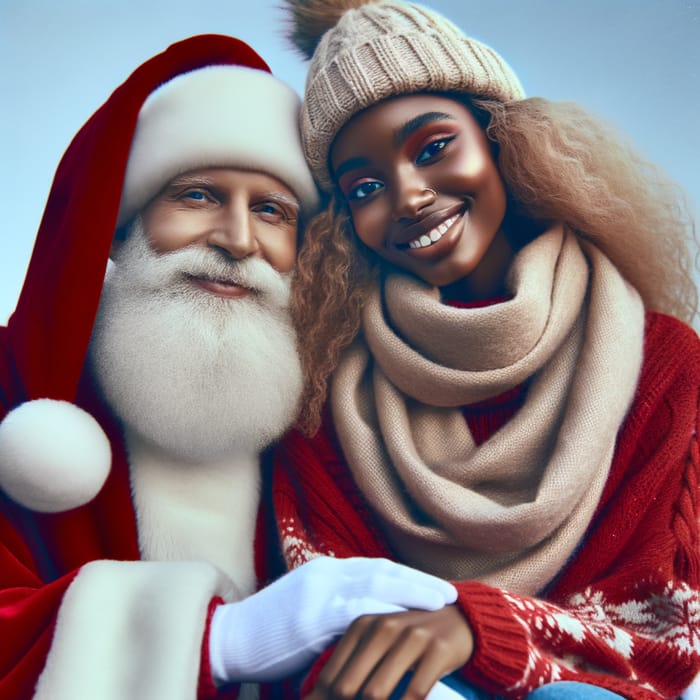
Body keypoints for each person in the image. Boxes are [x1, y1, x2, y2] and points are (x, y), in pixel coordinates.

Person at [0, 34, 461, 700]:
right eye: (197, 197)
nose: (237, 240)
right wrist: (221, 639)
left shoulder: (331, 410)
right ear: (128, 225)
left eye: (272, 211)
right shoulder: (17, 390)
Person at [271, 1, 700, 698]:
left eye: (433, 146)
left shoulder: (665, 362)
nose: (408, 196)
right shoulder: (321, 393)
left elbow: (659, 635)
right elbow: (324, 617)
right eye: (366, 187)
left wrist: (478, 624)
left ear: (502, 139)